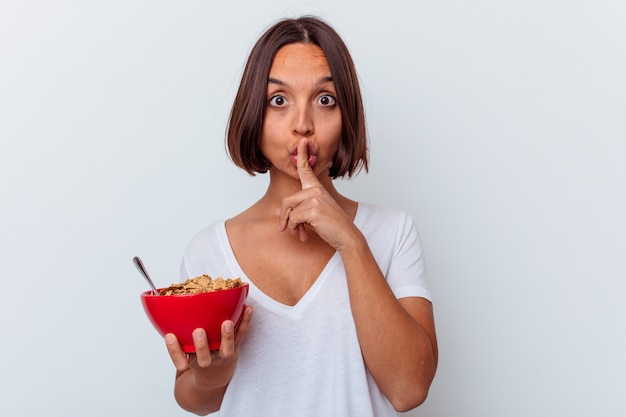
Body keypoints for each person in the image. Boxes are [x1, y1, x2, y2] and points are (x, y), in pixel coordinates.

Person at [164, 16, 438, 416]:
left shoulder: (393, 232)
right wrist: (209, 379)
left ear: (347, 118)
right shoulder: (210, 249)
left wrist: (351, 241)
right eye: (279, 100)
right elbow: (196, 399)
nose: (302, 126)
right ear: (253, 117)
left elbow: (408, 390)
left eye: (325, 99)